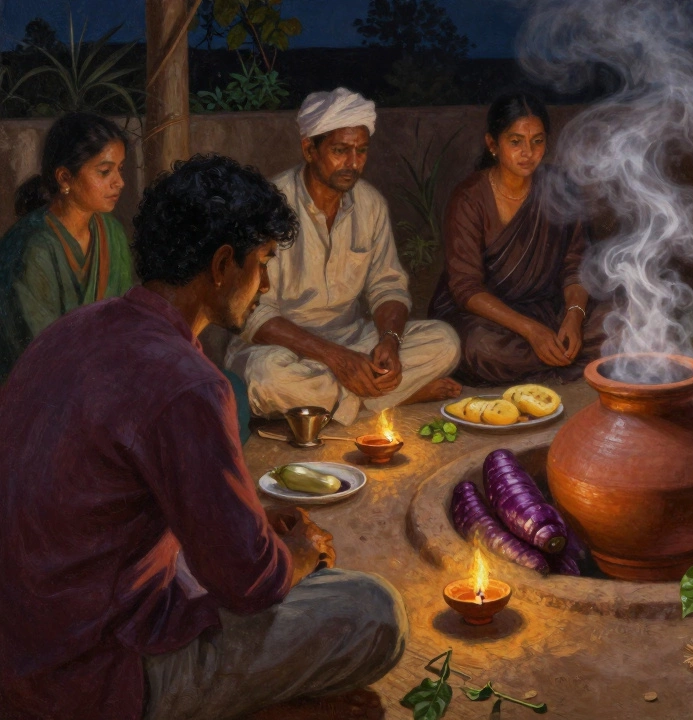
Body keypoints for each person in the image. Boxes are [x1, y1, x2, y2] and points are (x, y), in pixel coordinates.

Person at [0, 155, 406, 720]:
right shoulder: (190, 385)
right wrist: (298, 554)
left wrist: (251, 519)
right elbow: (252, 585)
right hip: (98, 677)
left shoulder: (70, 334)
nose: (264, 285)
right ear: (222, 265)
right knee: (373, 611)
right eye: (262, 263)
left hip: (20, 653)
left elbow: (114, 500)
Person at [225, 87, 461, 426]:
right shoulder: (268, 205)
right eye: (340, 150)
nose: (353, 163)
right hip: (281, 349)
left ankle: (340, 400)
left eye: (361, 151)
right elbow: (252, 312)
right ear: (309, 149)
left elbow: (388, 286)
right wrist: (335, 359)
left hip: (353, 341)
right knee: (266, 379)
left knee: (445, 341)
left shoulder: (370, 204)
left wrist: (390, 343)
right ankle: (385, 398)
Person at [430, 90, 607, 384]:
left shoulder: (560, 188)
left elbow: (577, 265)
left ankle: (555, 353)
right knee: (478, 347)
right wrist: (532, 331)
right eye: (516, 142)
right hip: (489, 318)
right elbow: (465, 288)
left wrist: (574, 319)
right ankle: (563, 359)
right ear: (492, 144)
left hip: (548, 307)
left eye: (537, 141)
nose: (528, 152)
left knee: (619, 320)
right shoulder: (469, 198)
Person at [0, 112, 130, 380]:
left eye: (120, 169)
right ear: (65, 178)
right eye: (105, 171)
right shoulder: (31, 246)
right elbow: (36, 353)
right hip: (41, 390)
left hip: (101, 380)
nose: (119, 182)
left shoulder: (112, 234)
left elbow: (125, 323)